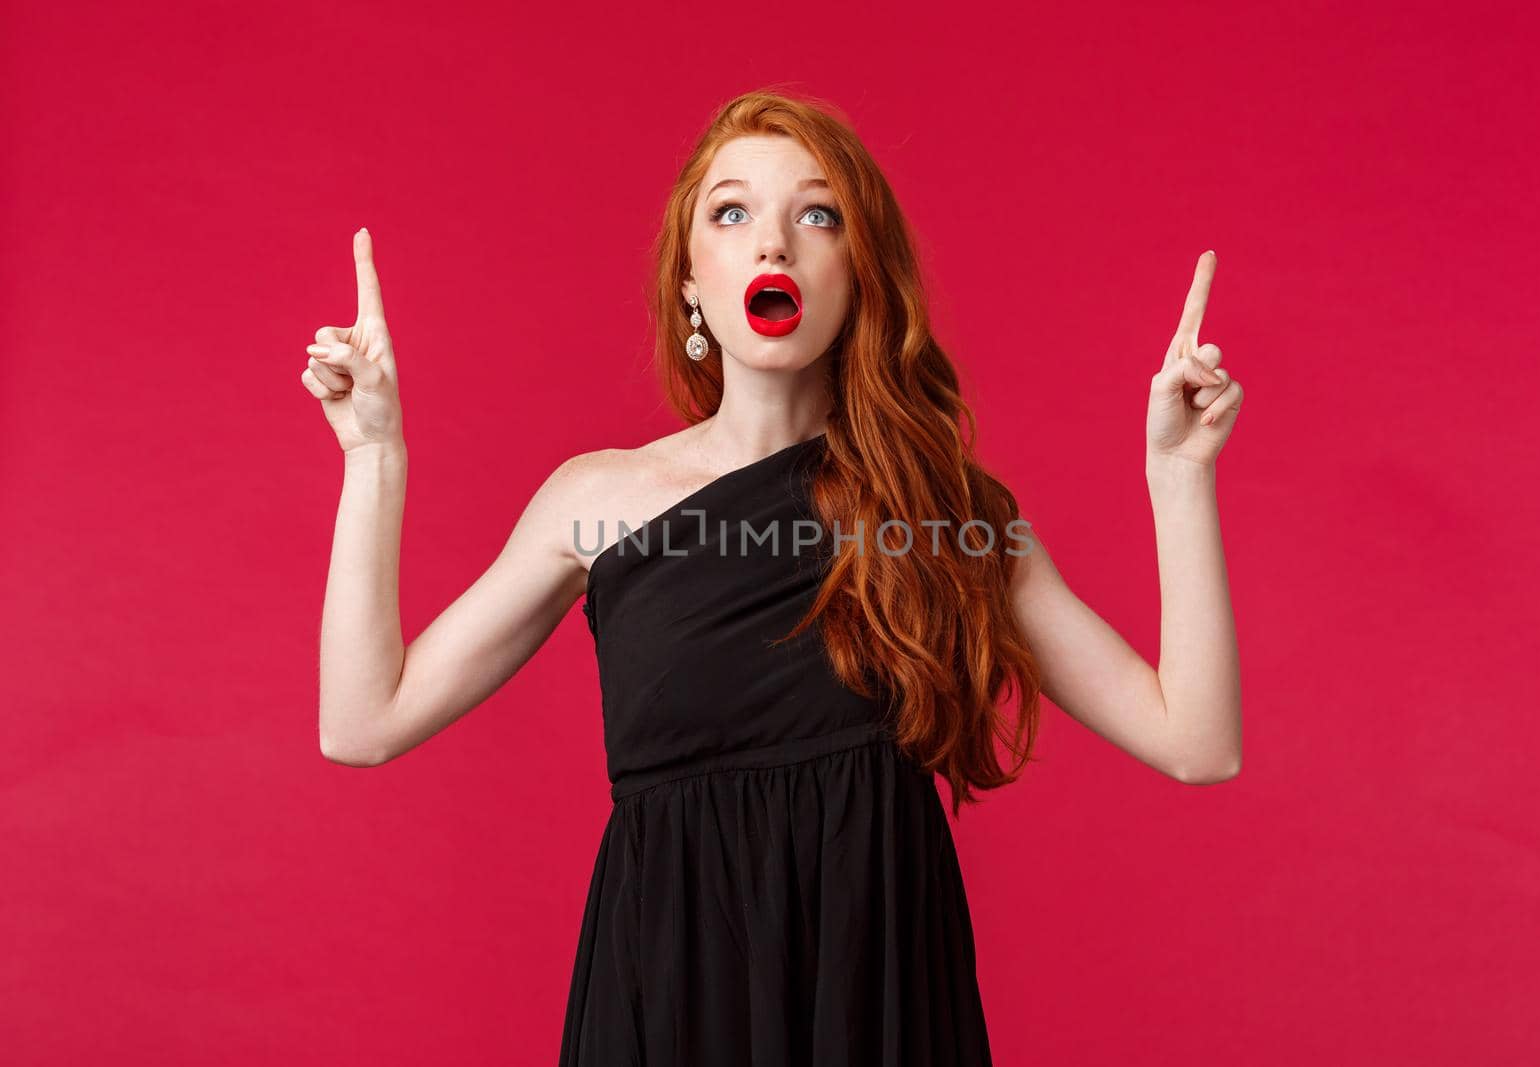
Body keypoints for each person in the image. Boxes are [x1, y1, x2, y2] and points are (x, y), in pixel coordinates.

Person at [302, 88, 1243, 1066]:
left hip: (874, 1000)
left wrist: (1179, 476)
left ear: (858, 273)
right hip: (670, 998)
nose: (774, 245)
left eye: (817, 213)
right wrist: (374, 459)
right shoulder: (597, 499)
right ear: (691, 284)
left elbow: (1195, 741)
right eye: (732, 211)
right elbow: (363, 720)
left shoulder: (941, 507)